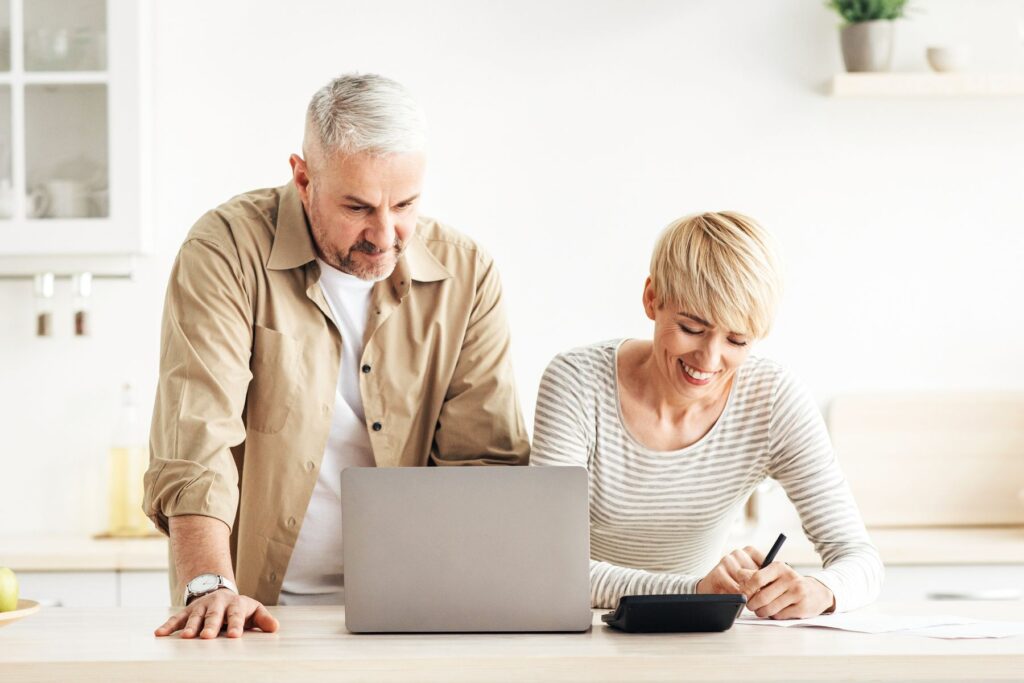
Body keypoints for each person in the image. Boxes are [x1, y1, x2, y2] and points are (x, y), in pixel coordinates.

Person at [143, 73, 529, 639]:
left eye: (405, 204)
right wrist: (208, 585)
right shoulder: (225, 249)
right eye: (357, 206)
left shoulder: (466, 275)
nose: (385, 234)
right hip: (250, 609)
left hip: (414, 612)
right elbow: (196, 438)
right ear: (303, 177)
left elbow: (484, 462)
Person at [531, 211, 883, 618]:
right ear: (651, 298)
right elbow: (548, 564)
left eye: (737, 339)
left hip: (702, 636)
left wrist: (821, 590)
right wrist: (694, 590)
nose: (709, 359)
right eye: (691, 329)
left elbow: (860, 559)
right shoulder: (577, 382)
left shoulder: (771, 398)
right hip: (584, 627)